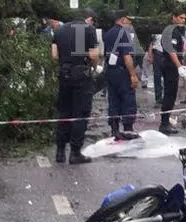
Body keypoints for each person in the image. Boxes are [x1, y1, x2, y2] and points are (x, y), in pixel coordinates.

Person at [51, 9, 100, 164]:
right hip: (81, 76)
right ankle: (75, 152)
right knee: (81, 113)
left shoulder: (59, 30)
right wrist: (93, 65)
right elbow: (94, 55)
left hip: (64, 74)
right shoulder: (89, 29)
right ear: (88, 18)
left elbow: (54, 55)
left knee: (64, 112)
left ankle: (60, 152)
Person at [103, 10, 141, 141]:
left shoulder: (108, 33)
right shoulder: (123, 33)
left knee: (113, 100)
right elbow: (127, 56)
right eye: (129, 21)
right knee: (128, 100)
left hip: (111, 71)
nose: (130, 24)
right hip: (122, 72)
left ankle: (114, 129)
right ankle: (128, 129)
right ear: (123, 20)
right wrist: (133, 75)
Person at [158, 10, 186, 135]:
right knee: (169, 95)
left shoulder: (176, 31)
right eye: (181, 18)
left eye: (184, 18)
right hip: (170, 66)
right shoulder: (171, 32)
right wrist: (179, 66)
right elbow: (171, 51)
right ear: (174, 17)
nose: (183, 20)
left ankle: (166, 121)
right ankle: (164, 123)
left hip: (172, 66)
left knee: (172, 95)